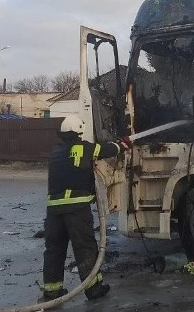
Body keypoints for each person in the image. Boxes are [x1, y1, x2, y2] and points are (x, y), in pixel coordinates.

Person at [41, 116, 128, 302]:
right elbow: (107, 150)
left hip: (54, 210)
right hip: (76, 208)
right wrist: (121, 144)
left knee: (54, 250)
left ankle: (52, 292)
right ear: (79, 131)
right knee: (85, 247)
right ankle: (93, 288)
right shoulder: (84, 147)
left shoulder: (55, 151)